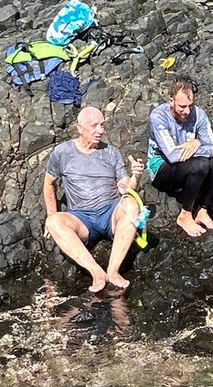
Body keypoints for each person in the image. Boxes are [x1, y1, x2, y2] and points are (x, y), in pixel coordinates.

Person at [43, 106, 145, 292]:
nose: (100, 130)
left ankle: (113, 271)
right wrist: (51, 212)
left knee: (131, 204)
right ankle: (97, 273)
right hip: (82, 219)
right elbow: (49, 183)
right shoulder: (62, 152)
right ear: (80, 127)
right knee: (53, 221)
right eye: (94, 126)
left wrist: (135, 177)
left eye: (102, 125)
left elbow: (125, 189)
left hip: (110, 213)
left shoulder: (111, 152)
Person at [147, 79, 213, 237]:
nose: (187, 111)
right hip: (161, 167)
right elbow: (172, 155)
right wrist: (202, 148)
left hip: (187, 163)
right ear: (171, 101)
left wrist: (198, 144)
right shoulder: (158, 116)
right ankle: (185, 215)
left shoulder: (198, 114)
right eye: (182, 107)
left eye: (190, 106)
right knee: (200, 165)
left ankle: (203, 211)